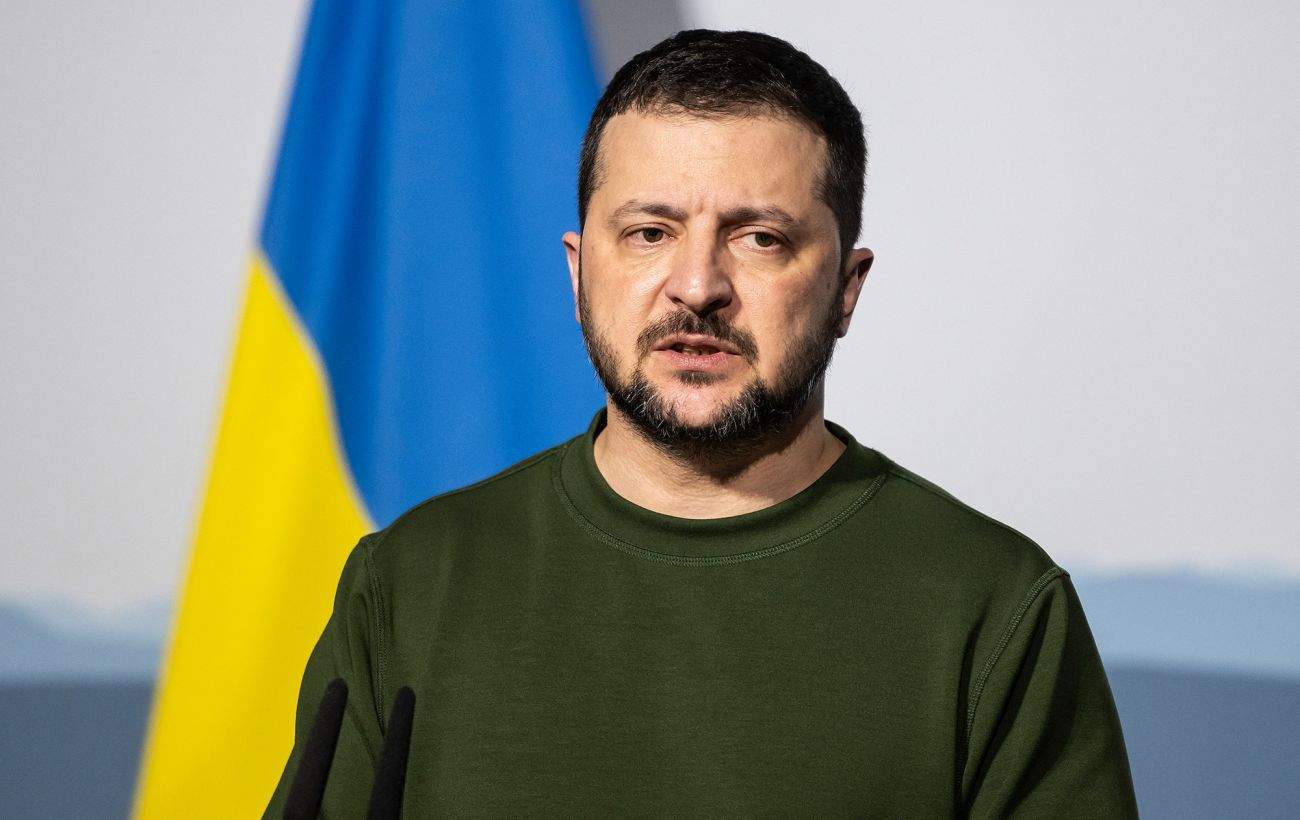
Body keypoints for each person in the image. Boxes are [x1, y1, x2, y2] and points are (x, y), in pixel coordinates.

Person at [265, 29, 1138, 816]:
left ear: (846, 288)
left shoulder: (993, 606)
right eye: (650, 232)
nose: (696, 286)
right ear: (578, 272)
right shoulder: (411, 582)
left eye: (759, 238)